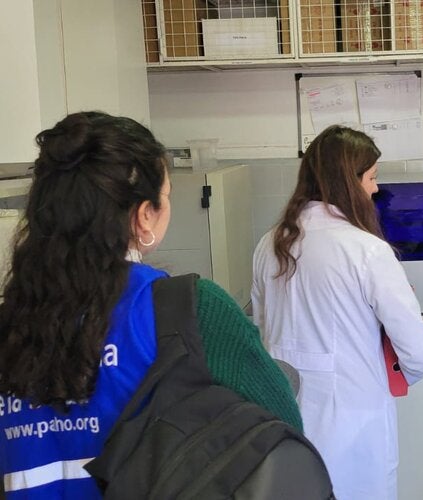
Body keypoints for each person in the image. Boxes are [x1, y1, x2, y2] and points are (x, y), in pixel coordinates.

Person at [0, 111, 302, 499]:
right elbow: (282, 433)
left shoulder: (11, 325)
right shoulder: (188, 310)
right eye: (167, 196)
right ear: (144, 216)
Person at [251, 125, 423, 500]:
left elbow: (262, 325)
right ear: (349, 182)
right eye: (371, 178)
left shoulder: (269, 244)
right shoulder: (366, 250)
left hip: (283, 416)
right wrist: (397, 372)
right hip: (354, 423)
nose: (375, 189)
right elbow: (417, 351)